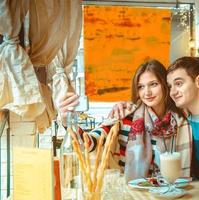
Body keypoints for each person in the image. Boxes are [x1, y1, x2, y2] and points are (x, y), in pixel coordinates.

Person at [58, 59, 192, 181]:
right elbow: (90, 142)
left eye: (153, 84)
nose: (147, 92)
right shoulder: (126, 115)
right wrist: (67, 120)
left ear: (165, 85)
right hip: (131, 193)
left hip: (171, 193)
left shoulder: (180, 121)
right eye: (141, 87)